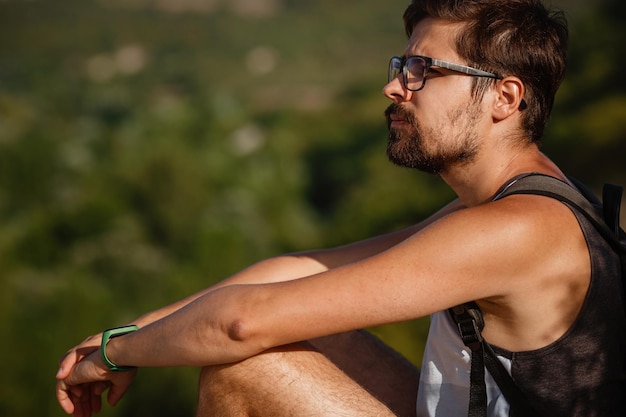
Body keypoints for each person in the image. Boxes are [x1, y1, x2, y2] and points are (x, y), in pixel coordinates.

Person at [56, 0, 626, 416]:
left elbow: (239, 323)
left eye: (423, 71)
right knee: (306, 326)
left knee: (250, 366)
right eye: (401, 67)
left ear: (505, 97)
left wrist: (116, 354)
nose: (395, 87)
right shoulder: (509, 207)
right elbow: (304, 269)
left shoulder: (517, 229)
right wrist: (128, 332)